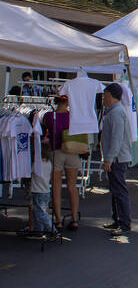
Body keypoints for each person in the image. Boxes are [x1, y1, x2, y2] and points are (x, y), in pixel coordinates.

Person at [43, 95, 81, 231]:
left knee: (56, 187)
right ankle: (74, 218)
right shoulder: (73, 116)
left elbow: (46, 131)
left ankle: (58, 220)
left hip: (56, 152)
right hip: (72, 150)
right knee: (72, 186)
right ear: (68, 101)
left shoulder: (49, 116)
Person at [101, 83, 133, 236]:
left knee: (119, 191)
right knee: (116, 191)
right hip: (116, 157)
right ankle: (118, 220)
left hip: (118, 159)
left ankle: (124, 223)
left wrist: (109, 158)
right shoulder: (114, 111)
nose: (103, 98)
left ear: (111, 95)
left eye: (105, 94)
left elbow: (116, 139)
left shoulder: (116, 112)